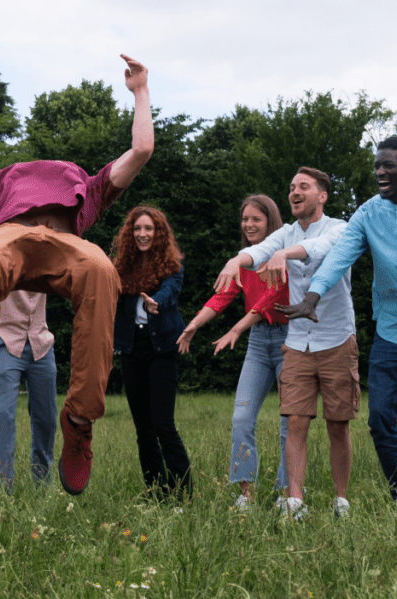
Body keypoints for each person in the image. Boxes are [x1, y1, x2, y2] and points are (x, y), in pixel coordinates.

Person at [0, 38, 153, 496]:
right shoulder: (1, 181)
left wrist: (140, 92)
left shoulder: (90, 187)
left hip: (64, 243)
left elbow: (140, 151)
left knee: (101, 268)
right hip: (10, 238)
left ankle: (79, 421)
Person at [280, 138, 397, 510]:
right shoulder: (368, 213)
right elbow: (339, 255)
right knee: (380, 419)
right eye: (377, 166)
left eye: (388, 166)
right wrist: (312, 296)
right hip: (391, 331)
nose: (380, 173)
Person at [215, 167, 355, 519]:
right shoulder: (284, 233)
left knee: (337, 424)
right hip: (297, 342)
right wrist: (237, 260)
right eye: (291, 187)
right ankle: (294, 501)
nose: (294, 192)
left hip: (336, 337)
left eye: (303, 187)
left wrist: (285, 254)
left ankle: (341, 501)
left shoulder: (340, 228)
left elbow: (318, 247)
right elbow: (260, 250)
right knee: (295, 421)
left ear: (321, 195)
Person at [176, 195, 290, 510]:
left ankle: (286, 495)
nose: (249, 225)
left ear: (271, 221)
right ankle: (246, 495)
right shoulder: (243, 261)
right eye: (245, 219)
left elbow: (269, 299)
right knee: (241, 417)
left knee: (289, 421)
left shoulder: (282, 257)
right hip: (259, 342)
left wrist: (236, 330)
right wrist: (194, 325)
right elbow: (221, 297)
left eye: (256, 219)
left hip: (289, 340)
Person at [112, 206, 191, 500]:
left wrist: (154, 301)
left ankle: (183, 493)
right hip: (131, 348)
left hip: (162, 348)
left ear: (159, 233)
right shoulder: (121, 266)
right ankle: (156, 491)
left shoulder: (172, 265)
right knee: (143, 429)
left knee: (162, 424)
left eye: (148, 229)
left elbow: (170, 291)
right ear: (130, 234)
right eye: (137, 229)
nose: (142, 234)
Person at [0, 291, 58, 493]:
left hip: (41, 340)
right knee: (2, 414)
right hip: (5, 338)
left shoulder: (48, 258)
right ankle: (0, 489)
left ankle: (43, 485)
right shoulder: (0, 257)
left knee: (47, 417)